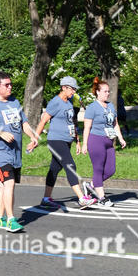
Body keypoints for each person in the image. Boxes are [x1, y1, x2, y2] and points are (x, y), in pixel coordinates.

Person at [0, 71, 38, 232]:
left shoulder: (14, 102)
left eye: (10, 84)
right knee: (9, 183)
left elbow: (24, 123)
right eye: (6, 85)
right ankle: (11, 220)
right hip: (0, 154)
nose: (10, 87)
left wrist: (32, 137)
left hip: (15, 154)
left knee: (5, 187)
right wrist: (0, 133)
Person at [34, 76, 96, 209]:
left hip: (66, 140)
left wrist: (77, 141)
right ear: (64, 87)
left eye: (74, 89)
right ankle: (81, 199)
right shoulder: (55, 102)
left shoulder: (68, 103)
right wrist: (35, 138)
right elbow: (43, 121)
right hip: (56, 140)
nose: (74, 91)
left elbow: (72, 123)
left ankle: (46, 198)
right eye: (72, 89)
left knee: (54, 169)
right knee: (70, 165)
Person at [81, 78, 126, 206]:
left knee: (111, 169)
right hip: (96, 140)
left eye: (108, 91)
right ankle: (102, 198)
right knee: (98, 169)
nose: (108, 93)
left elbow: (115, 124)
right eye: (105, 91)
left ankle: (90, 185)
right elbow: (87, 127)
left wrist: (121, 138)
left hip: (109, 141)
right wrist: (85, 144)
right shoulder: (92, 107)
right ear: (98, 92)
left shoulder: (111, 106)